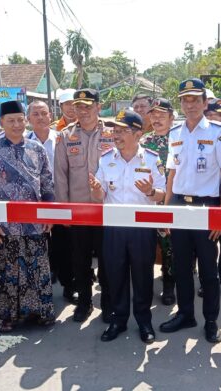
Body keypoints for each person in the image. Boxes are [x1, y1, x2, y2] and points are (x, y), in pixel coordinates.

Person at [159, 78, 221, 343]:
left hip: (207, 207)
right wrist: (167, 211)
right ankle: (186, 314)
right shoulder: (175, 133)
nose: (189, 105)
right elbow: (172, 174)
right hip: (179, 205)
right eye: (185, 100)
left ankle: (211, 321)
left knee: (207, 269)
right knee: (181, 266)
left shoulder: (218, 132)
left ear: (205, 103)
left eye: (195, 99)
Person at [0, 100, 55, 333]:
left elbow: (47, 185)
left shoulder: (36, 149)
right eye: (11, 121)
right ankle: (10, 317)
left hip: (35, 223)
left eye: (20, 120)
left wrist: (49, 215)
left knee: (37, 267)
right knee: (7, 270)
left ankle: (39, 312)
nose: (17, 124)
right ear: (1, 123)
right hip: (4, 225)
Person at [90, 109, 166, 343]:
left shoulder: (152, 160)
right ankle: (118, 320)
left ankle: (144, 321)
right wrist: (95, 191)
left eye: (123, 130)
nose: (117, 135)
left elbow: (162, 195)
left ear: (138, 133)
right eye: (115, 130)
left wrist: (150, 192)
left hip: (142, 229)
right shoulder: (106, 159)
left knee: (143, 277)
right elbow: (100, 195)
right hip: (114, 228)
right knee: (115, 275)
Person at [54, 88, 116, 323]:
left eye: (88, 106)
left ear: (99, 107)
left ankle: (108, 303)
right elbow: (60, 175)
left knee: (107, 259)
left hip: (107, 209)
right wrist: (64, 211)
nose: (83, 110)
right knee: (79, 260)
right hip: (78, 210)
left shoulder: (113, 133)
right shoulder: (65, 136)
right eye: (79, 106)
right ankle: (84, 302)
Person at [26, 100, 75, 304]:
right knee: (39, 246)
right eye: (35, 114)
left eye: (43, 113)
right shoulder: (23, 143)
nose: (40, 117)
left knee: (65, 245)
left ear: (51, 115)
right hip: (35, 202)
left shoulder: (62, 139)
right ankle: (41, 290)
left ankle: (69, 286)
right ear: (28, 119)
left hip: (61, 199)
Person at [141, 98, 176, 305]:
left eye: (162, 115)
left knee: (169, 247)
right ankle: (144, 286)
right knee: (146, 246)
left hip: (172, 202)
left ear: (171, 118)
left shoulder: (180, 139)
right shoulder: (144, 141)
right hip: (148, 200)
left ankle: (169, 286)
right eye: (153, 114)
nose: (157, 119)